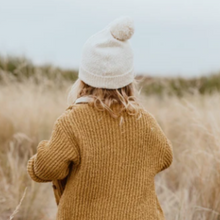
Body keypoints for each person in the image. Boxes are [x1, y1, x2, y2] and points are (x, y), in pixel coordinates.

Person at [27, 16, 173, 220]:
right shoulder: (144, 120)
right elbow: (165, 156)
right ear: (129, 81)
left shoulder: (72, 121)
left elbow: (47, 168)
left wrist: (37, 159)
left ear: (83, 80)